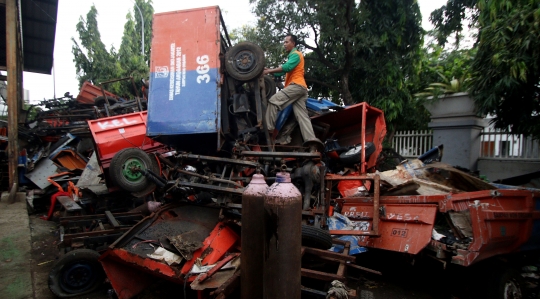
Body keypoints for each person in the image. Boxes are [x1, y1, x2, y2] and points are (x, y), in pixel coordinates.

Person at [263, 34, 318, 145]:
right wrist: (270, 70)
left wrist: (268, 71)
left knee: (273, 101)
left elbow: (286, 67)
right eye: (284, 42)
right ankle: (311, 141)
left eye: (286, 42)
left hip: (296, 86)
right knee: (302, 116)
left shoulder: (296, 54)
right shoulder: (293, 57)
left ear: (293, 43)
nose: (284, 44)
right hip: (301, 89)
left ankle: (268, 130)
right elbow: (283, 71)